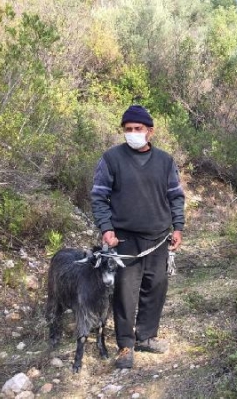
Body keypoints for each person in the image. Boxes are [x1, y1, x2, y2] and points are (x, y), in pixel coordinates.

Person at [91, 104, 185, 369]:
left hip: (158, 238)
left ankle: (146, 337)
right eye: (128, 129)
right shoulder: (111, 159)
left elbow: (176, 196)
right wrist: (107, 229)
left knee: (156, 288)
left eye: (138, 129)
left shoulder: (165, 161)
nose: (132, 133)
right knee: (125, 293)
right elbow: (99, 196)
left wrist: (178, 227)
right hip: (124, 240)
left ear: (150, 131)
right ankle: (125, 345)